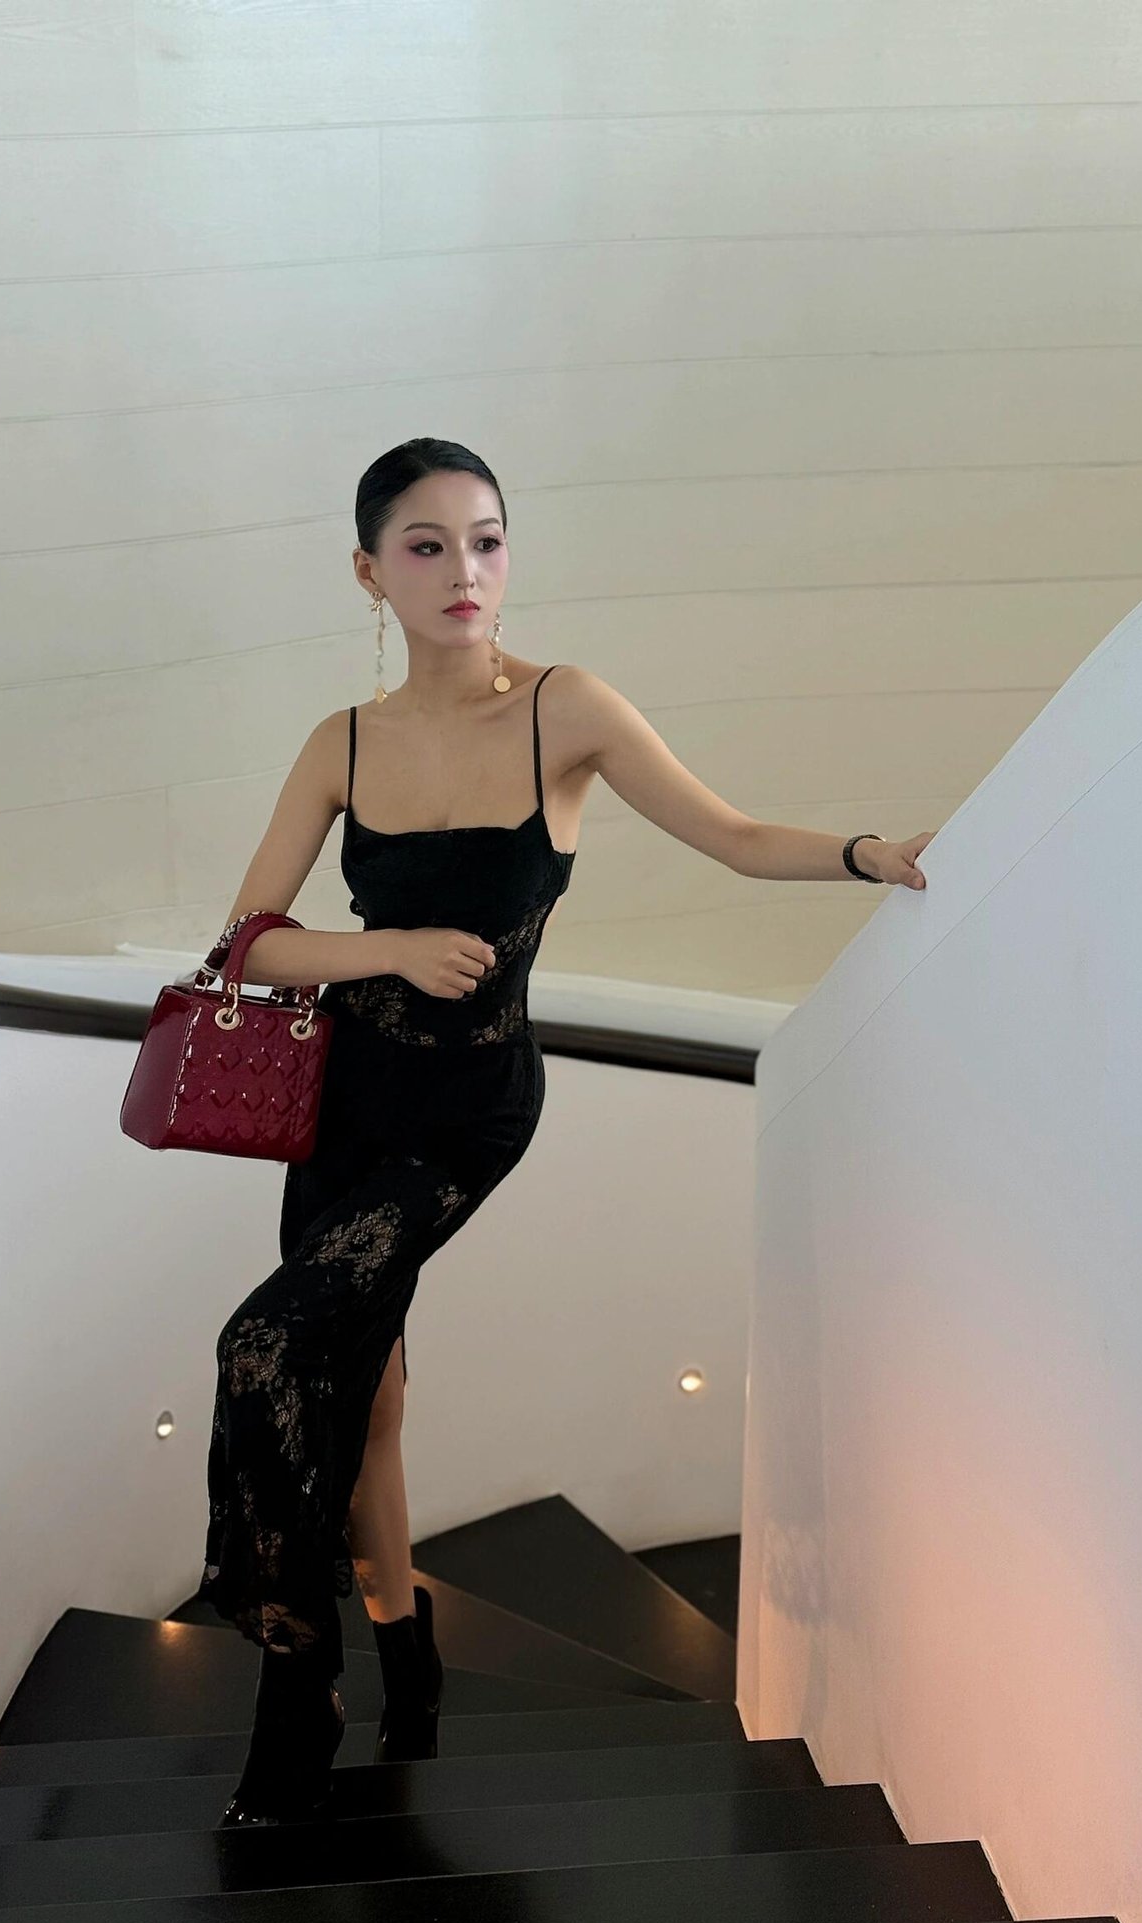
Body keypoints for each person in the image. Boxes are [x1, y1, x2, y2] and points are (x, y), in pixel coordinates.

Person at [194, 437, 936, 1827]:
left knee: (265, 1345)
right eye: (426, 546)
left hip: (469, 1112)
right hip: (347, 1102)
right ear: (369, 572)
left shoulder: (565, 709)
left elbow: (731, 835)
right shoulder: (340, 743)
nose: (463, 571)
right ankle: (403, 1648)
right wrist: (390, 948)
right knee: (368, 1389)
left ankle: (298, 1681)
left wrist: (860, 855)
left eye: (485, 539)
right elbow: (249, 945)